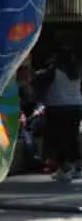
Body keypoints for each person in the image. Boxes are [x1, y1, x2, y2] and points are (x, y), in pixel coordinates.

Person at [39, 50, 82, 182]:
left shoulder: (54, 71)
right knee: (71, 136)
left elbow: (41, 82)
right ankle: (77, 166)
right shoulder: (76, 71)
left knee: (58, 138)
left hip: (57, 106)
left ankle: (65, 168)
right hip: (76, 106)